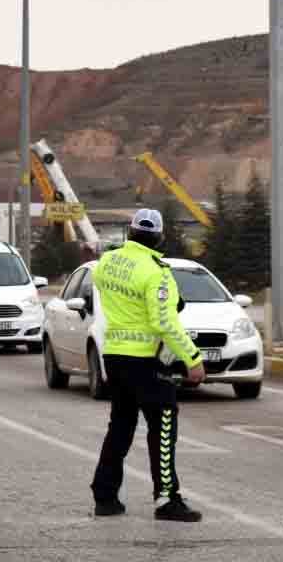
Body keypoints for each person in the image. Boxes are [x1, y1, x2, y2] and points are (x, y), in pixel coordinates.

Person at [90, 208, 206, 522]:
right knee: (163, 426)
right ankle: (167, 500)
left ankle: (105, 496)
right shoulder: (157, 271)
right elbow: (164, 320)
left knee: (121, 426)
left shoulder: (108, 262)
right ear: (159, 236)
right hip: (147, 360)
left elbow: (103, 288)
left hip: (114, 355)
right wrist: (192, 359)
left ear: (130, 233)